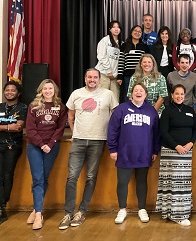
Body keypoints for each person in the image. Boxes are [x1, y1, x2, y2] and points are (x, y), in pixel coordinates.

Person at [59, 68, 118, 230]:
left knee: (91, 177)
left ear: (99, 79)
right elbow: (70, 115)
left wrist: (111, 135)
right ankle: (68, 213)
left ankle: (82, 211)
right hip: (78, 140)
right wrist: (74, 131)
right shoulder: (76, 93)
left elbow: (115, 115)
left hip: (98, 141)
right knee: (72, 177)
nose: (92, 79)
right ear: (85, 78)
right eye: (89, 77)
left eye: (95, 77)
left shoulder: (108, 94)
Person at [107, 83, 160, 224]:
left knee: (142, 182)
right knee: (123, 182)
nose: (138, 92)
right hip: (124, 153)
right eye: (136, 90)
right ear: (131, 94)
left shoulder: (151, 111)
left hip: (144, 153)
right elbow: (112, 130)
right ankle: (122, 209)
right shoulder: (121, 109)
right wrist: (112, 149)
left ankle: (142, 209)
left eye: (141, 90)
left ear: (146, 94)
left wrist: (155, 150)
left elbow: (156, 133)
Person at [25, 79, 67, 230]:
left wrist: (50, 144)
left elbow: (60, 128)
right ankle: (38, 215)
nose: (48, 91)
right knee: (37, 178)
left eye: (50, 88)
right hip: (35, 146)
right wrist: (41, 144)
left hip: (52, 146)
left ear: (54, 90)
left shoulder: (60, 107)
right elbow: (30, 128)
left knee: (44, 178)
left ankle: (36, 208)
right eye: (45, 89)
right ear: (41, 91)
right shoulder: (33, 106)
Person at [156, 84, 196, 226]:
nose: (179, 96)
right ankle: (173, 214)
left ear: (185, 95)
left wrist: (191, 143)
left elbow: (195, 129)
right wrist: (176, 146)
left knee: (183, 185)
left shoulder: (189, 110)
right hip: (171, 151)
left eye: (182, 94)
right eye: (177, 94)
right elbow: (163, 132)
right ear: (172, 95)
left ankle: (183, 211)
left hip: (186, 152)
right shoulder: (167, 111)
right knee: (173, 184)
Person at [0, 81, 27, 225]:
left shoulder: (23, 107)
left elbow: (19, 127)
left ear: (18, 93)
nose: (9, 92)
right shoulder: (0, 106)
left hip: (13, 146)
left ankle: (2, 205)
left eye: (12, 90)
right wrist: (9, 126)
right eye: (7, 90)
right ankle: (1, 206)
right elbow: (13, 126)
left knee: (7, 174)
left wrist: (3, 127)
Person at [117, 25, 148, 101]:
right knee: (128, 96)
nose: (137, 33)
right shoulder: (124, 45)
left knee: (140, 95)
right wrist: (120, 76)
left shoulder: (144, 46)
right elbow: (121, 61)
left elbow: (147, 62)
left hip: (140, 75)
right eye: (135, 31)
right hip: (127, 76)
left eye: (139, 32)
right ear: (131, 32)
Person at [95, 20, 123, 102]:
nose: (116, 29)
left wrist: (116, 74)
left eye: (118, 27)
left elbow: (121, 61)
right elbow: (101, 56)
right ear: (110, 29)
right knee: (102, 99)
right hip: (104, 74)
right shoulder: (104, 41)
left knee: (114, 100)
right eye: (114, 27)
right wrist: (108, 71)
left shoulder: (122, 43)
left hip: (115, 77)